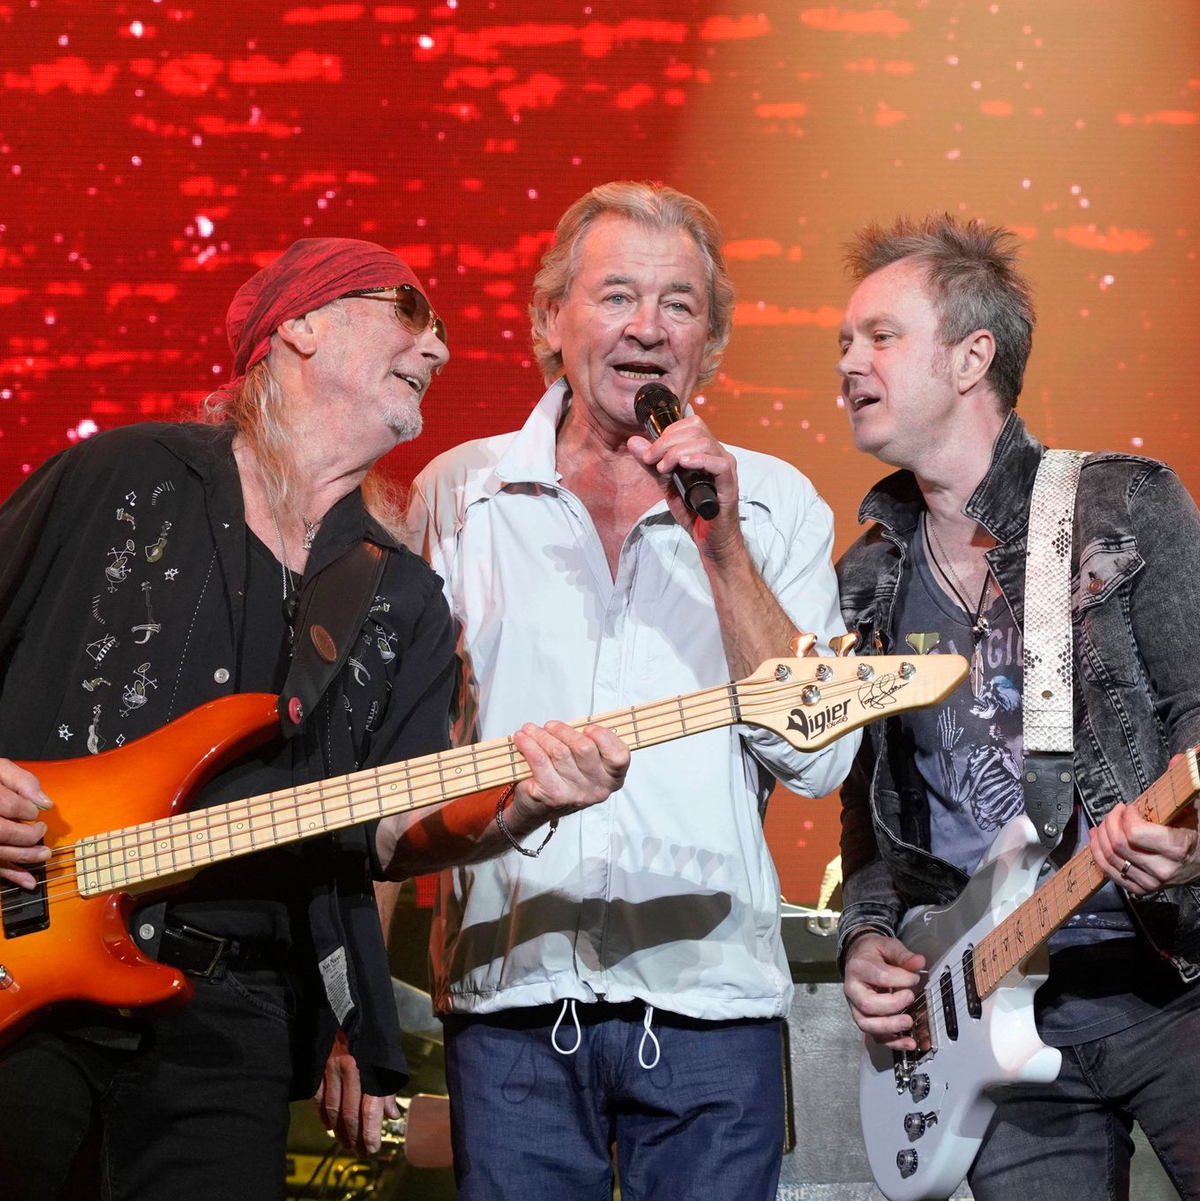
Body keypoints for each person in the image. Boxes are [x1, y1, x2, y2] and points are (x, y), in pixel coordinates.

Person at [0, 236, 629, 1201]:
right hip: (27, 968)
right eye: (410, 312)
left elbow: (392, 828)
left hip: (232, 1019)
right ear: (298, 324)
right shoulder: (120, 477)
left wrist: (523, 807)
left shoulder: (403, 597)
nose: (438, 349)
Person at [402, 181, 857, 1200]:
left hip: (711, 1013)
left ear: (710, 343)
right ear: (549, 321)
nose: (647, 327)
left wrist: (722, 545)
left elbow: (818, 754)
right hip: (512, 1009)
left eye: (678, 304)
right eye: (616, 296)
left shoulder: (773, 505)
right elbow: (397, 760)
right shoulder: (460, 495)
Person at [834, 213, 1200, 1199]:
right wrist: (867, 934)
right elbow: (873, 804)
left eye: (880, 335)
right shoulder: (866, 575)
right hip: (985, 1015)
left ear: (972, 357)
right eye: (844, 341)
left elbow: (1197, 708)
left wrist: (1193, 844)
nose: (849, 362)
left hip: (1173, 979)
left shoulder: (1122, 504)